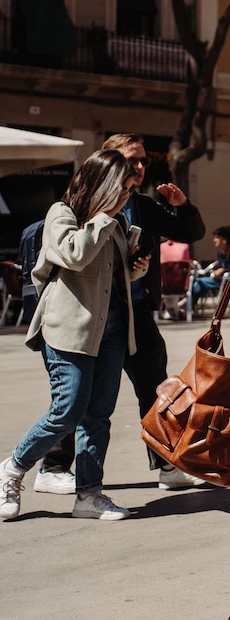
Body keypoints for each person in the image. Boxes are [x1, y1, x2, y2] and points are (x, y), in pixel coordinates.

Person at [37, 133, 208, 494]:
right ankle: (52, 466)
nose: (140, 168)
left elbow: (189, 231)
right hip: (89, 312)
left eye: (143, 161)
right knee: (79, 394)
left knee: (155, 387)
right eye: (131, 162)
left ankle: (166, 463)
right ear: (107, 161)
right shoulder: (79, 205)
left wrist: (184, 205)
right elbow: (72, 255)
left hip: (135, 310)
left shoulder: (143, 205)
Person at [0, 151, 148, 522]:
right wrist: (103, 217)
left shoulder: (115, 222)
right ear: (103, 185)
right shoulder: (61, 214)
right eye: (122, 189)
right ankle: (12, 470)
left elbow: (109, 277)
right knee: (67, 411)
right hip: (69, 330)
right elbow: (74, 255)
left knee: (98, 416)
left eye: (130, 191)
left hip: (112, 328)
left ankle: (89, 495)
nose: (126, 197)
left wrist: (134, 269)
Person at [188, 225, 230, 309]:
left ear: (224, 240)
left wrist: (223, 270)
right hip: (221, 280)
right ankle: (189, 304)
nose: (214, 240)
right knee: (198, 282)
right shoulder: (220, 253)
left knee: (199, 282)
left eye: (217, 237)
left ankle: (188, 305)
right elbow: (219, 266)